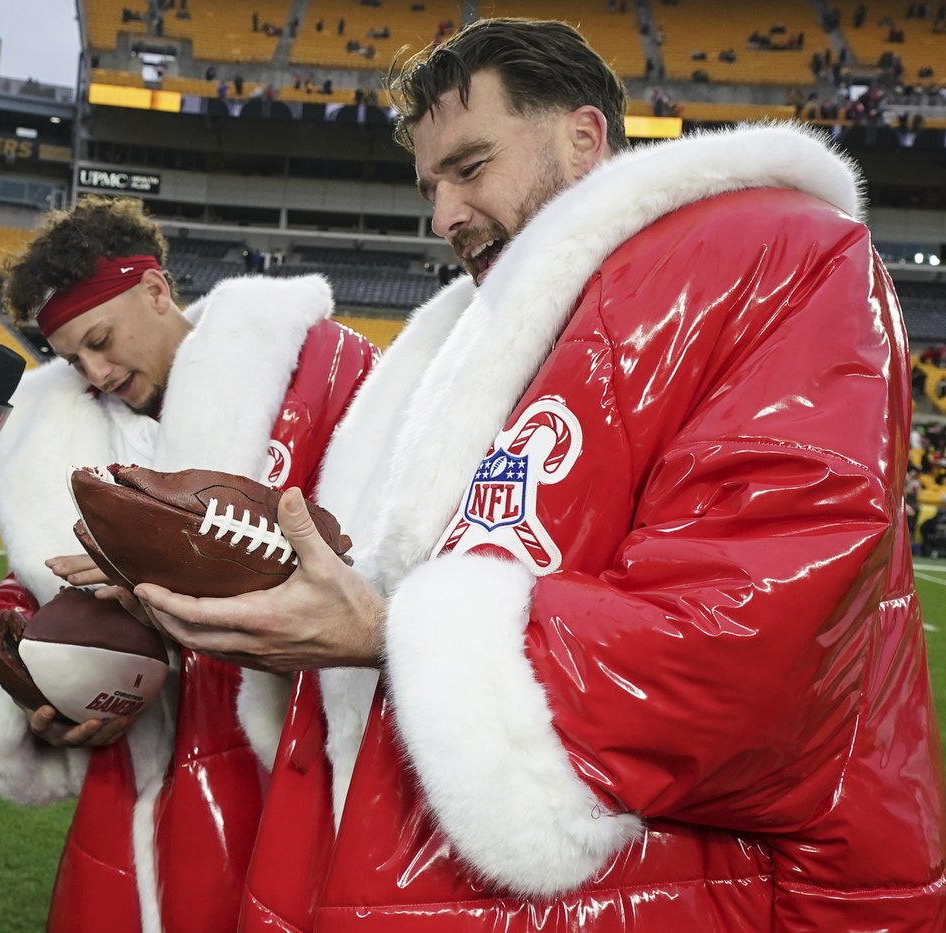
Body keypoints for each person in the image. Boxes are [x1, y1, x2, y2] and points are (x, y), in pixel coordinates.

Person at [131, 18, 946, 930]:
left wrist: (386, 633)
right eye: (432, 185)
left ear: (584, 138)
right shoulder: (471, 337)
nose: (442, 215)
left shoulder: (779, 253)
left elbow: (758, 639)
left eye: (471, 167)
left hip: (686, 892)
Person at [0, 196, 375, 932]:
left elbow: (379, 548)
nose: (94, 370)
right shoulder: (69, 431)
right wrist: (39, 658)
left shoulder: (318, 373)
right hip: (140, 773)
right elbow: (33, 581)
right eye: (70, 358)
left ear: (156, 289)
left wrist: (166, 578)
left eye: (99, 338)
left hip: (285, 755)